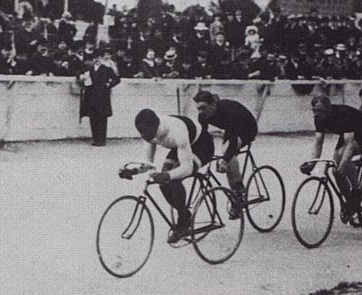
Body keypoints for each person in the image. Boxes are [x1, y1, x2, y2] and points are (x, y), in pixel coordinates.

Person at [125, 109, 214, 243]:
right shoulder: (148, 131)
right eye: (140, 132)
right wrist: (133, 171)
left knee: (172, 180)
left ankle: (183, 222)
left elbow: (187, 167)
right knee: (163, 184)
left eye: (145, 132)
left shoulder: (176, 130)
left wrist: (168, 175)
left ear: (156, 126)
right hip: (180, 146)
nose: (143, 135)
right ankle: (185, 214)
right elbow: (148, 163)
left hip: (202, 146)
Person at [301, 94, 362, 223]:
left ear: (329, 109)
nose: (316, 114)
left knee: (343, 160)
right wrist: (312, 165)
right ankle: (349, 204)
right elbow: (318, 143)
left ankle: (356, 190)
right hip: (348, 134)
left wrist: (343, 164)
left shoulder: (343, 115)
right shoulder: (318, 118)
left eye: (320, 111)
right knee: (336, 171)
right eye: (314, 110)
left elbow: (349, 145)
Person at [193, 91, 258, 219]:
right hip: (231, 129)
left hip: (247, 128)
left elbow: (233, 142)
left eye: (203, 108)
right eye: (198, 108)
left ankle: (238, 192)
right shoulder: (203, 116)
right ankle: (235, 191)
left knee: (226, 153)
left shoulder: (228, 111)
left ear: (213, 104)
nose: (200, 112)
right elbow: (202, 137)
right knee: (225, 154)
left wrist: (224, 160)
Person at [79, 49, 121, 146]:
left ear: (101, 59)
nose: (97, 60)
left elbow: (117, 79)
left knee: (102, 118)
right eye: (95, 58)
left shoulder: (107, 69)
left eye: (99, 58)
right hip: (91, 96)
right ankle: (95, 138)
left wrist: (109, 85)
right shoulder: (89, 69)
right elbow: (78, 72)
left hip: (102, 96)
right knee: (93, 118)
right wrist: (81, 76)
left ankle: (102, 139)